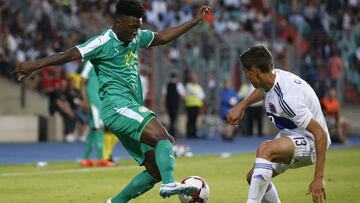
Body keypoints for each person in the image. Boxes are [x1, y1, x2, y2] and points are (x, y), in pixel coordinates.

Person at [14, 1, 210, 202]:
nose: (136, 31)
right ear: (118, 22)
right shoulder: (103, 42)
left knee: (154, 170)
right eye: (132, 26)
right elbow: (71, 54)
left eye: (138, 26)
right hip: (117, 106)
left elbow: (161, 37)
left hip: (128, 108)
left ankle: (115, 202)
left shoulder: (136, 37)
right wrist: (34, 65)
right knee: (164, 139)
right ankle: (169, 184)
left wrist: (194, 22)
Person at [227, 45, 331, 203]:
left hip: (311, 141)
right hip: (292, 133)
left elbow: (320, 134)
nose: (246, 77)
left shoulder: (289, 99)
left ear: (254, 72)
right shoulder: (274, 78)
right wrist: (242, 106)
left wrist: (319, 178)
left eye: (246, 73)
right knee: (253, 178)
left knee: (265, 149)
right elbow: (262, 90)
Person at [80, 61, 116, 167]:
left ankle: (85, 158)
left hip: (101, 100)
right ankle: (102, 158)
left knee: (93, 127)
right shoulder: (90, 62)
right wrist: (85, 100)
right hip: (93, 100)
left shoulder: (105, 63)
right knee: (99, 126)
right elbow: (82, 82)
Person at [161, 72, 185, 137]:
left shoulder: (166, 85)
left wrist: (162, 105)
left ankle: (171, 131)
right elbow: (182, 95)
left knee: (171, 118)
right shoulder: (178, 85)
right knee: (174, 118)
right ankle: (172, 132)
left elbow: (163, 95)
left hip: (169, 103)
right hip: (175, 103)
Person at [184, 73, 205, 139]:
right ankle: (189, 133)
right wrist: (198, 95)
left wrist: (198, 95)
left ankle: (194, 133)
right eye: (193, 78)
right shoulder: (188, 86)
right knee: (190, 120)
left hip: (197, 105)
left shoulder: (198, 86)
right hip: (190, 105)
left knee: (195, 120)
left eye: (195, 78)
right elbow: (195, 93)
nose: (195, 79)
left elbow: (203, 95)